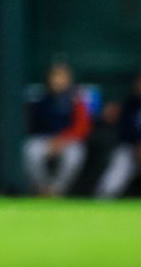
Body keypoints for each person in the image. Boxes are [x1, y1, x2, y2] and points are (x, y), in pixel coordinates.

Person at [95, 62, 141, 199]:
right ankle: (104, 199)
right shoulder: (130, 103)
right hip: (131, 149)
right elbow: (124, 132)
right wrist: (138, 146)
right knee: (120, 160)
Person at [23, 60, 92, 196]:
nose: (58, 80)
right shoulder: (41, 98)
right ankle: (43, 189)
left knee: (75, 154)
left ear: (69, 78)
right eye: (55, 76)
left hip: (69, 140)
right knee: (29, 150)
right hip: (46, 140)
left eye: (62, 76)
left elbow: (83, 127)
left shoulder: (76, 99)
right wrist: (51, 142)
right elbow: (33, 127)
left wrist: (62, 140)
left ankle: (57, 190)